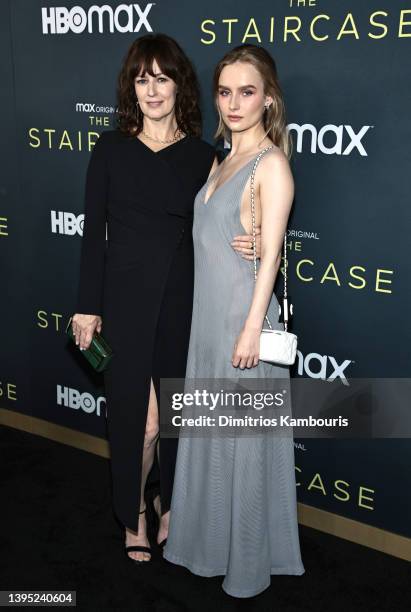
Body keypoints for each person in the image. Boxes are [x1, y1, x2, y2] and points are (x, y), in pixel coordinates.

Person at [71, 34, 261, 563]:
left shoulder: (205, 156)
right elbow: (93, 235)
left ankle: (174, 507)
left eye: (162, 77)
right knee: (143, 421)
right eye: (141, 78)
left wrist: (260, 239)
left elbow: (227, 223)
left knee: (177, 417)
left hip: (184, 301)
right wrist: (88, 305)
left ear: (180, 84)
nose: (152, 89)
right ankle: (132, 511)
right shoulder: (110, 149)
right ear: (131, 87)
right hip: (124, 301)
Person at [163, 44, 305, 596]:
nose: (234, 103)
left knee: (242, 441)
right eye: (225, 91)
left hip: (242, 322)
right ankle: (205, 543)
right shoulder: (220, 160)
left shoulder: (271, 162)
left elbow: (270, 255)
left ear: (268, 98)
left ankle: (245, 564)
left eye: (248, 91)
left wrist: (250, 328)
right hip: (208, 322)